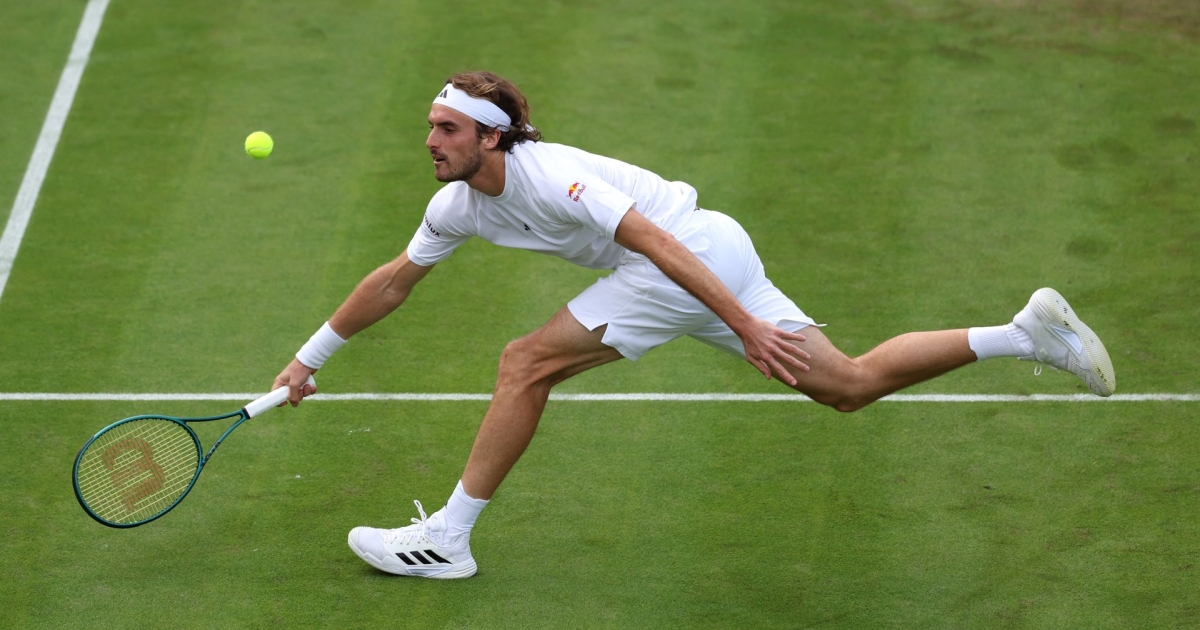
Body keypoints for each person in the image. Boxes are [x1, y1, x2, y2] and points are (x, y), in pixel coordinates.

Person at [272, 71, 1116, 579]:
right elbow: (393, 282)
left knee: (524, 362)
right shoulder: (457, 205)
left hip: (687, 256)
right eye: (431, 126)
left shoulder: (553, 176)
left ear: (492, 140)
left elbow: (656, 242)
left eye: (447, 128)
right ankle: (1026, 335)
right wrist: (309, 359)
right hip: (712, 256)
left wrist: (742, 324)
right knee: (847, 385)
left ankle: (447, 540)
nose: (431, 139)